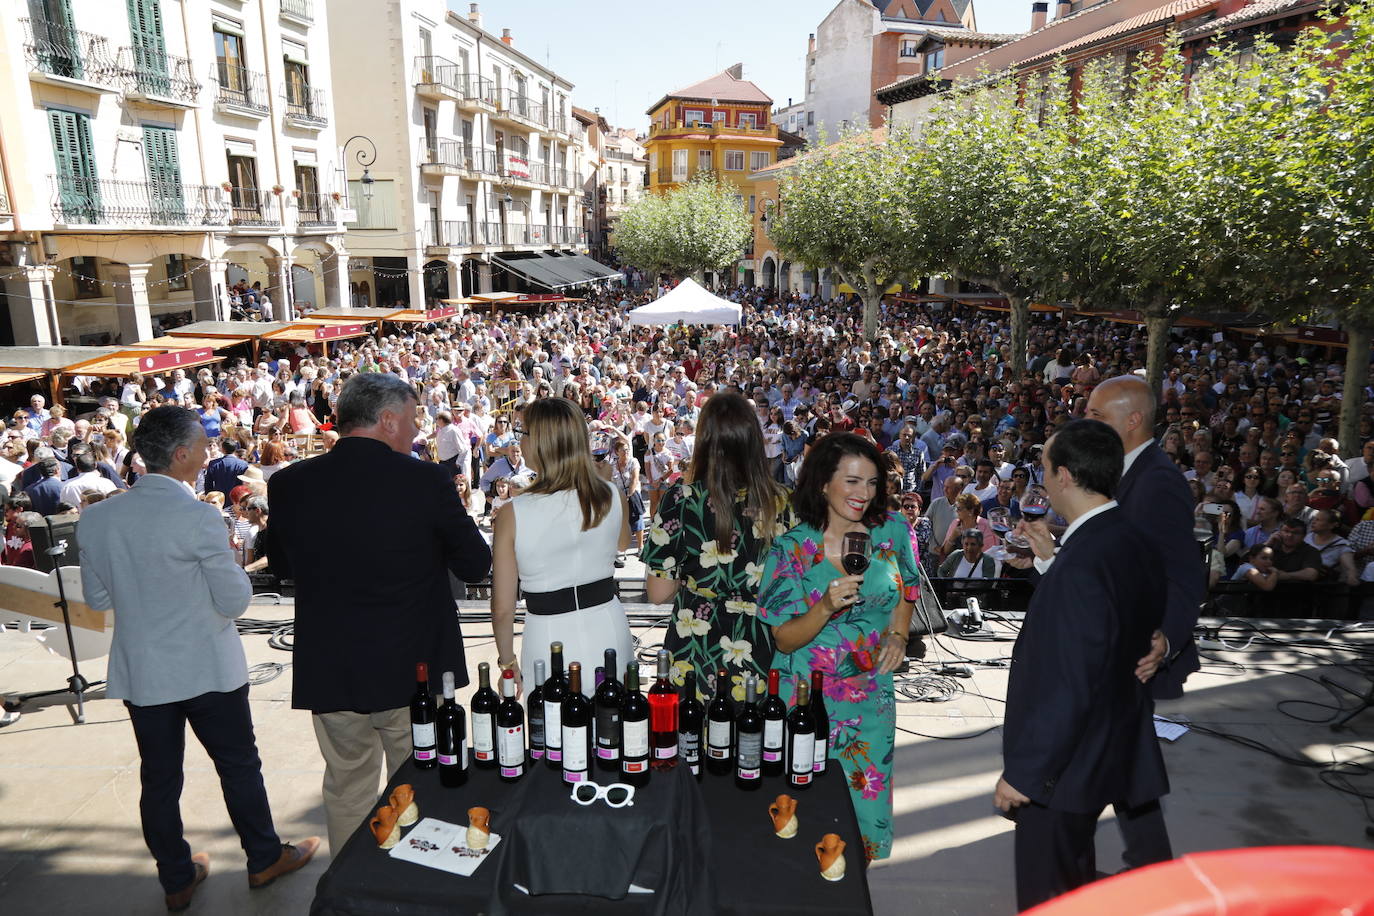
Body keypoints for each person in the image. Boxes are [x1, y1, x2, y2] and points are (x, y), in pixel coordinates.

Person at [78, 406, 318, 911]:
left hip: (143, 672)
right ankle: (263, 858)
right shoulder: (198, 516)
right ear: (182, 455)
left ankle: (176, 878)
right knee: (238, 767)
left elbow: (99, 602)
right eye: (203, 446)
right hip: (208, 669)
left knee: (159, 780)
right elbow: (235, 602)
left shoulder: (98, 518)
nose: (210, 453)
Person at [267, 374, 492, 854]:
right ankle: (412, 881)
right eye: (412, 420)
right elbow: (475, 563)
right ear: (387, 420)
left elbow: (282, 568)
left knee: (347, 785)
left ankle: (349, 889)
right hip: (413, 668)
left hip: (333, 668)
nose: (416, 432)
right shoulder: (425, 480)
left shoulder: (288, 484)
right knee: (419, 782)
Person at [995, 419, 1169, 911]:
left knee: (1047, 895)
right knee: (1073, 883)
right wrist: (1052, 563)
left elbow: (1072, 682)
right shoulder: (1126, 539)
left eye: (1046, 469)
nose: (1043, 480)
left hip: (1063, 772)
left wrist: (1026, 775)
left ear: (1065, 475)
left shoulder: (1085, 562)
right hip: (1106, 752)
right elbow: (1109, 625)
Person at [758, 432, 918, 862]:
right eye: (851, 481)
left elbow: (909, 585)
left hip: (870, 696)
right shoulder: (791, 548)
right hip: (805, 696)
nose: (863, 493)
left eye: (870, 482)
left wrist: (899, 634)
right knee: (800, 804)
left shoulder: (893, 529)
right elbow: (784, 637)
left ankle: (853, 892)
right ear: (823, 483)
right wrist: (825, 605)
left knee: (863, 806)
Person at [643, 392, 794, 694]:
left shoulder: (681, 500)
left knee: (691, 738)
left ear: (704, 441)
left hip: (694, 649)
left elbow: (658, 593)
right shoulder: (783, 503)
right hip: (760, 647)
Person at [491, 397, 632, 691]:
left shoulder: (512, 514)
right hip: (609, 627)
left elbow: (504, 607)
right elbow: (622, 544)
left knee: (553, 730)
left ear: (542, 441)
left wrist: (506, 661)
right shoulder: (611, 494)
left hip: (548, 636)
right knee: (614, 726)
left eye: (523, 433)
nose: (520, 441)